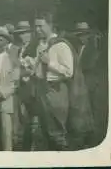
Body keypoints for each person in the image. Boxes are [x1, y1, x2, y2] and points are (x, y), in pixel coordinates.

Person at [33, 14, 93, 151]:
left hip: (57, 90)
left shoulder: (61, 45)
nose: (37, 29)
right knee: (46, 131)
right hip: (43, 90)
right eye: (35, 26)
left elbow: (69, 71)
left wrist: (50, 63)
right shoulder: (41, 45)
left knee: (57, 132)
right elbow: (39, 71)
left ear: (50, 25)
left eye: (40, 26)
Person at [11, 21, 39, 151]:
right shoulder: (19, 49)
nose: (22, 36)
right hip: (22, 86)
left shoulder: (34, 47)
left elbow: (33, 69)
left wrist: (18, 73)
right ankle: (25, 144)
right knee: (24, 117)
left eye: (25, 33)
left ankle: (32, 146)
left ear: (30, 33)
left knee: (33, 116)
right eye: (20, 34)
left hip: (32, 86)